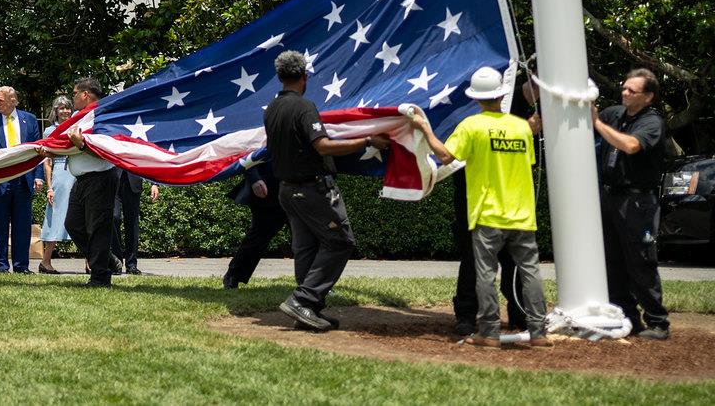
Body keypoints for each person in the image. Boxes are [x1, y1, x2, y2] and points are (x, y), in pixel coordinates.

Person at [407, 66, 549, 346]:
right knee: (530, 272)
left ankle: (489, 332)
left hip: (487, 213)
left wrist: (425, 128)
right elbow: (528, 160)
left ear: (475, 98)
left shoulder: (471, 126)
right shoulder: (522, 128)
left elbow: (445, 156)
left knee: (484, 274)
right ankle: (538, 333)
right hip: (522, 213)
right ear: (502, 95)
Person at [265, 51, 386, 330]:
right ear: (304, 76)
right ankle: (303, 300)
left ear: (280, 76)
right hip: (312, 190)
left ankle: (307, 311)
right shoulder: (304, 107)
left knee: (305, 248)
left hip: (287, 190)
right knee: (340, 242)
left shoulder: (272, 108)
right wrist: (367, 141)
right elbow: (322, 146)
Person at [593, 67, 671, 339]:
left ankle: (658, 323)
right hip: (610, 196)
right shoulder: (615, 114)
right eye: (624, 87)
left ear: (648, 97)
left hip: (637, 201)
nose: (624, 92)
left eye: (632, 90)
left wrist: (597, 124)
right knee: (612, 260)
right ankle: (627, 318)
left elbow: (631, 146)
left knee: (640, 261)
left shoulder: (652, 122)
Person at [63, 77, 120, 287]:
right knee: (73, 224)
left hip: (100, 177)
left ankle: (100, 277)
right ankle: (106, 259)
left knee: (97, 228)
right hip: (80, 180)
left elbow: (107, 150)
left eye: (75, 93)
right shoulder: (78, 117)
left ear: (85, 94)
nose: (73, 98)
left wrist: (82, 145)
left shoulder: (102, 116)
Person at [0, 85, 39, 274]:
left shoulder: (29, 119)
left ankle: (22, 266)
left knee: (22, 226)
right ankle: (1, 267)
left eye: (1, 100)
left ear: (13, 100)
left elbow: (37, 151)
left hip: (23, 180)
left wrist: (38, 177)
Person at [221, 157, 285, 289]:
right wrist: (254, 178)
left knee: (307, 237)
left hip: (298, 183)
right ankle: (234, 275)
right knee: (260, 234)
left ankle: (315, 282)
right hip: (268, 184)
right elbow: (247, 153)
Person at [37, 94, 77, 274]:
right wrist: (49, 187)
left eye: (67, 107)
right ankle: (45, 261)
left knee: (83, 215)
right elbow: (47, 162)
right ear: (56, 111)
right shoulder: (49, 131)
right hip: (60, 174)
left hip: (77, 171)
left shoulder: (77, 127)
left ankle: (90, 262)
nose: (65, 111)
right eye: (61, 108)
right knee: (56, 215)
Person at [109, 170, 158, 276]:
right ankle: (116, 262)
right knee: (113, 217)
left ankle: (131, 264)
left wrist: (154, 183)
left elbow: (147, 161)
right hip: (112, 179)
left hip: (133, 181)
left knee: (132, 223)